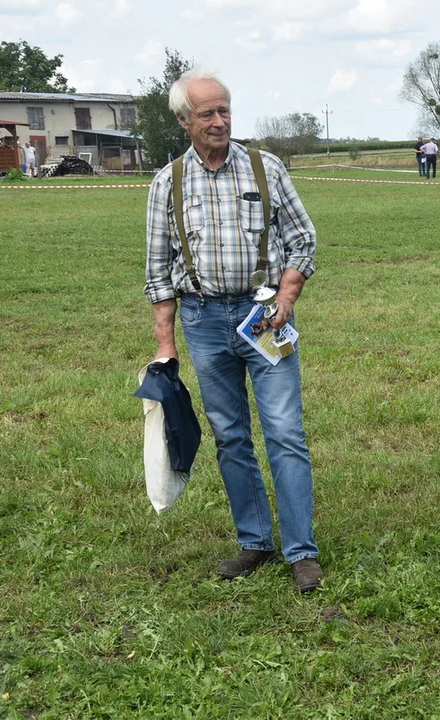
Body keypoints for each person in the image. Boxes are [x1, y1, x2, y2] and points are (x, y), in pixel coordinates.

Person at [144, 68, 323, 594]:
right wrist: (165, 346)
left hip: (262, 317)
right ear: (184, 121)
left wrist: (286, 298)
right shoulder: (167, 183)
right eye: (207, 114)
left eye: (224, 110)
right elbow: (158, 271)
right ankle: (255, 541)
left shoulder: (265, 169)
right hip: (201, 321)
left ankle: (301, 552)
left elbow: (304, 242)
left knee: (285, 433)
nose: (220, 121)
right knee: (230, 436)